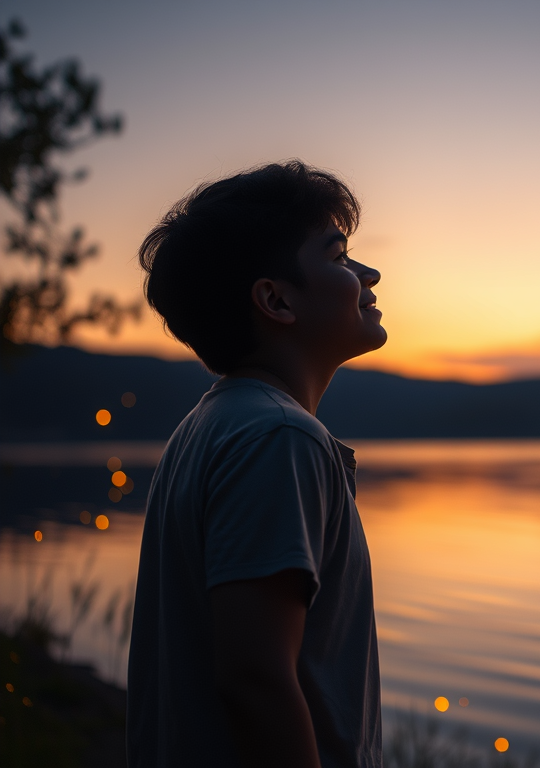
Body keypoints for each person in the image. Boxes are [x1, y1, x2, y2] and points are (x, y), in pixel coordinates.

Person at [127, 161, 386, 768]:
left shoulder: (215, 424)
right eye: (339, 256)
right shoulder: (278, 436)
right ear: (276, 299)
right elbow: (256, 681)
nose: (368, 274)